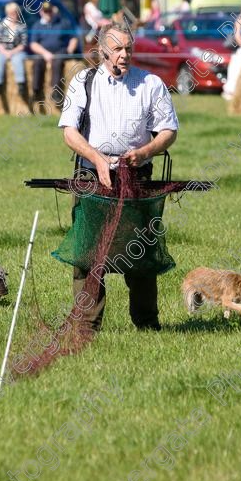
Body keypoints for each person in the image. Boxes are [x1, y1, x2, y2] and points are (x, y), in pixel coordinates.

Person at [58, 22, 179, 332]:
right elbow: (69, 131)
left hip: (136, 177)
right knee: (88, 254)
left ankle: (147, 324)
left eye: (129, 48)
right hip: (91, 176)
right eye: (118, 49)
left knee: (139, 253)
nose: (125, 54)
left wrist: (146, 151)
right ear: (102, 51)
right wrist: (96, 158)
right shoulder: (83, 82)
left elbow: (168, 130)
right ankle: (86, 326)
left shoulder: (151, 83)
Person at [30, 2, 79, 106]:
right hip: (43, 52)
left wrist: (70, 50)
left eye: (49, 11)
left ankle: (56, 91)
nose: (48, 13)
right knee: (37, 62)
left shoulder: (63, 22)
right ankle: (36, 90)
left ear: (53, 11)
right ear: (41, 12)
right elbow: (33, 44)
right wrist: (45, 53)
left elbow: (73, 38)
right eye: (45, 11)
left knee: (57, 61)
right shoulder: (37, 25)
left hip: (60, 50)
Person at [0, 2, 28, 97]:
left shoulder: (22, 26)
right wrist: (4, 52)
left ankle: (21, 84)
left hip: (17, 51)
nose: (13, 15)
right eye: (10, 13)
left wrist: (12, 52)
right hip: (3, 50)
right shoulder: (1, 25)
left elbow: (23, 44)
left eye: (14, 13)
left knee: (17, 60)